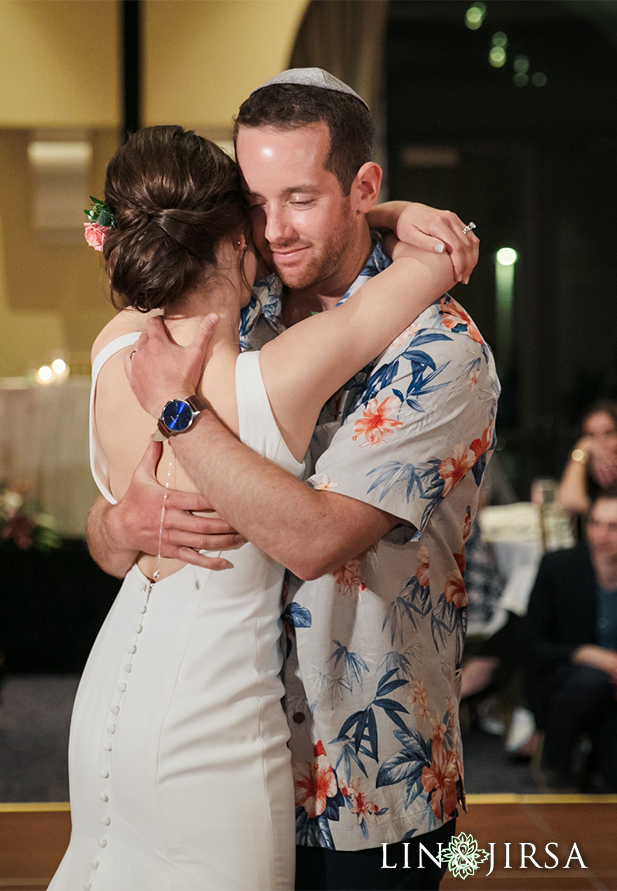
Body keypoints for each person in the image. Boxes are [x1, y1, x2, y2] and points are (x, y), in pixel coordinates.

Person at [68, 79, 489, 890]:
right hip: (221, 739)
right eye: (254, 201)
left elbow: (314, 538)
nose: (272, 228)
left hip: (367, 778)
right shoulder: (235, 301)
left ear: (361, 189)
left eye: (299, 197)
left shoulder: (439, 348)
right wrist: (120, 527)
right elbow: (110, 528)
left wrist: (180, 414)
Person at [520, 493, 617, 793]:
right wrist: (588, 654)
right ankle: (556, 764)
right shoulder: (558, 567)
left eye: (613, 527)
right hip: (562, 680)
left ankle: (599, 769)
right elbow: (531, 644)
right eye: (595, 523)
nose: (601, 535)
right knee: (591, 680)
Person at [557, 401, 617, 517]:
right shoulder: (587, 474)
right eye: (590, 435)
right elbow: (571, 503)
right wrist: (583, 448)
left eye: (609, 433)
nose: (599, 443)